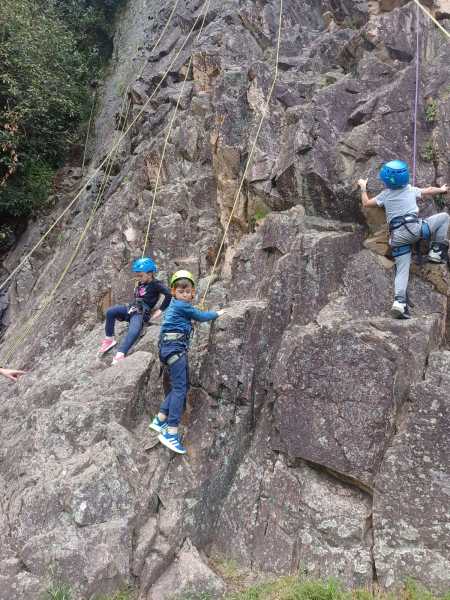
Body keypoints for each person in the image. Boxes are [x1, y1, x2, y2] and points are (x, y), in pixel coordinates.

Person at [358, 160, 449, 319]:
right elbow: (428, 191)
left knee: (402, 271)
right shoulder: (410, 189)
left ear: (386, 180)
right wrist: (441, 190)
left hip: (397, 239)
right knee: (444, 217)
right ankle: (436, 251)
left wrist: (363, 187)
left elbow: (366, 203)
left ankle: (399, 302)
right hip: (415, 230)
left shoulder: (385, 195)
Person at [149, 270, 224, 454]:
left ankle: (160, 419)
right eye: (181, 291)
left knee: (178, 387)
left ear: (192, 293)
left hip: (167, 349)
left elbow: (191, 314)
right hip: (175, 350)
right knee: (180, 390)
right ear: (174, 292)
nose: (184, 294)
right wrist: (217, 313)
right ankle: (171, 432)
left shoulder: (174, 305)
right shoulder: (183, 306)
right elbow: (201, 317)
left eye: (187, 291)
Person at [99, 257, 172, 364]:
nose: (138, 278)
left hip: (140, 312)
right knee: (110, 312)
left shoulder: (156, 284)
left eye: (140, 275)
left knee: (134, 329)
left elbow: (169, 294)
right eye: (137, 275)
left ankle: (120, 353)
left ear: (150, 274)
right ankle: (109, 339)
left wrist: (161, 310)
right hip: (131, 308)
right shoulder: (141, 282)